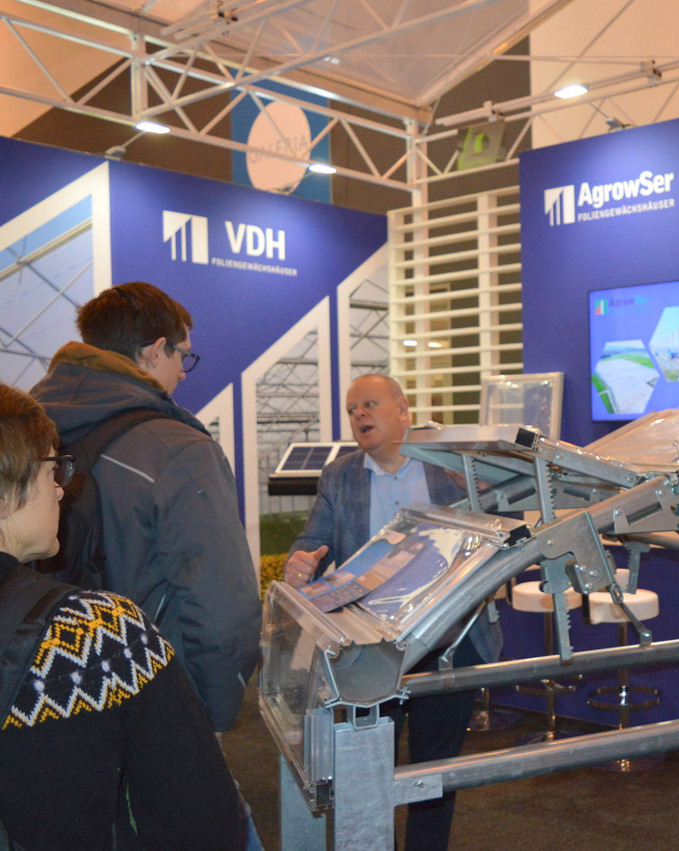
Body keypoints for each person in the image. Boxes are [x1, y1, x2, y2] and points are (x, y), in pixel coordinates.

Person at [0, 383, 248, 849]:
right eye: (53, 469)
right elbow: (202, 820)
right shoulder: (97, 635)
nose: (61, 489)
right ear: (9, 483)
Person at [29, 282, 261, 735]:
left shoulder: (26, 434)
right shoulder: (180, 451)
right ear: (156, 350)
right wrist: (213, 713)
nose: (184, 373)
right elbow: (223, 612)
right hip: (149, 703)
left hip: (42, 694)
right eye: (183, 356)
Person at [285, 373, 500, 851]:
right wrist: (300, 560)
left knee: (434, 773)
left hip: (449, 641)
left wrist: (485, 492)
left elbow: (500, 529)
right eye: (352, 409)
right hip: (370, 649)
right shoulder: (339, 476)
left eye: (369, 404)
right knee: (367, 768)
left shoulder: (450, 467)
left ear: (403, 410)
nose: (359, 414)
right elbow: (312, 539)